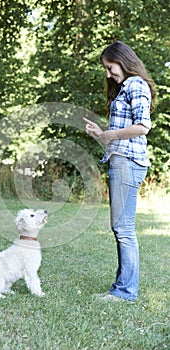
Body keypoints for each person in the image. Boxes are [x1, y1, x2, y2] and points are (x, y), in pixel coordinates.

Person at [84, 41, 156, 301]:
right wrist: (100, 135)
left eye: (110, 67)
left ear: (122, 61)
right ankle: (123, 288)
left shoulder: (136, 85)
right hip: (121, 159)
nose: (108, 74)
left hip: (127, 163)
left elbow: (143, 127)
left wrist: (110, 133)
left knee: (123, 228)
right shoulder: (125, 87)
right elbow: (117, 137)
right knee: (121, 227)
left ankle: (125, 292)